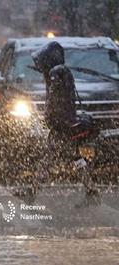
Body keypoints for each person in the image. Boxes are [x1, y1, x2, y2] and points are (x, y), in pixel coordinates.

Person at [31, 41, 99, 200]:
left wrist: (54, 120)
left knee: (49, 159)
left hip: (62, 125)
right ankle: (91, 191)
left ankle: (33, 192)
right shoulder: (61, 72)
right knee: (74, 157)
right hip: (64, 124)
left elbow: (57, 101)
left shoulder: (57, 73)